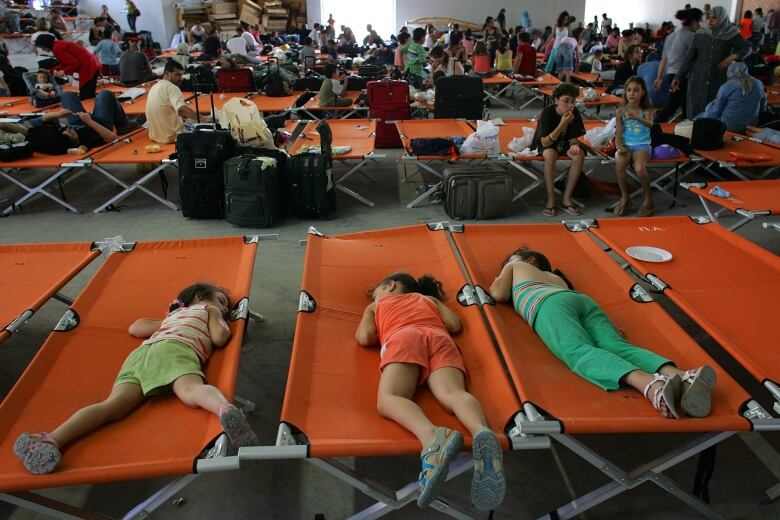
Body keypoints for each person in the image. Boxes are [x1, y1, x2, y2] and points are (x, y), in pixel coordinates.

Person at [12, 282, 258, 475]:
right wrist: (225, 320)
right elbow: (220, 338)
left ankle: (51, 439)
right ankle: (224, 409)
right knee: (192, 391)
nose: (225, 308)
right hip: (177, 351)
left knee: (110, 407)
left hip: (140, 355)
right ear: (198, 297)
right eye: (223, 301)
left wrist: (167, 318)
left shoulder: (171, 319)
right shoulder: (209, 310)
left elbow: (135, 329)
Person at [489, 247, 716, 420]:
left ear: (529, 260)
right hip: (582, 302)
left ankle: (650, 385)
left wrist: (500, 278)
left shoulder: (516, 267)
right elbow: (570, 304)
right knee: (617, 346)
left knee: (578, 351)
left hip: (546, 303)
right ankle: (682, 375)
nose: (504, 268)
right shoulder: (557, 279)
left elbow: (498, 294)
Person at [356, 272, 505, 512]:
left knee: (390, 398)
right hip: (440, 339)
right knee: (453, 394)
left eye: (376, 293)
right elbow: (455, 324)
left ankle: (432, 439)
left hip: (404, 337)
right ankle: (481, 431)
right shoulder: (429, 300)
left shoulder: (378, 305)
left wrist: (369, 312)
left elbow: (364, 338)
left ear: (390, 285)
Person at [672, 6, 749, 119]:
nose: (710, 20)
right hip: (697, 82)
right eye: (709, 17)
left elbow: (746, 48)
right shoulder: (701, 34)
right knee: (694, 116)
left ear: (722, 19)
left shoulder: (730, 34)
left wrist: (731, 57)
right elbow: (689, 57)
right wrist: (678, 77)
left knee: (713, 114)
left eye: (714, 18)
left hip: (717, 81)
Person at [530, 82, 585, 217]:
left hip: (564, 143)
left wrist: (574, 144)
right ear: (556, 101)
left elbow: (573, 137)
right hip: (546, 143)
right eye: (566, 101)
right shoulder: (547, 112)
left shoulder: (575, 112)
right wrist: (563, 123)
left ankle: (567, 198)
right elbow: (545, 141)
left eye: (573, 102)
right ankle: (551, 198)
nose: (570, 105)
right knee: (550, 154)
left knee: (579, 154)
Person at [614, 76, 655, 217]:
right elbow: (618, 132)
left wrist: (636, 116)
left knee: (639, 168)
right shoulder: (620, 111)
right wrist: (620, 146)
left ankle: (648, 198)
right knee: (619, 164)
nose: (632, 93)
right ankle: (625, 197)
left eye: (636, 90)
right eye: (629, 90)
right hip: (626, 144)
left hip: (642, 145)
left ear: (643, 92)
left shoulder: (647, 109)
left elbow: (650, 124)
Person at [654, 8, 701, 122]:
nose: (700, 25)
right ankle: (652, 129)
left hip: (671, 75)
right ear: (694, 22)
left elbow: (664, 59)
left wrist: (659, 78)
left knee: (684, 107)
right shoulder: (691, 37)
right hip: (682, 77)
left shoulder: (672, 35)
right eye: (700, 22)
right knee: (671, 108)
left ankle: (684, 132)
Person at [146, 60, 209, 144]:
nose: (180, 78)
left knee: (191, 118)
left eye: (181, 75)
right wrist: (203, 119)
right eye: (177, 75)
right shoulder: (172, 87)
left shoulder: (154, 87)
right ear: (167, 73)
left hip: (155, 137)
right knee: (207, 122)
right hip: (172, 137)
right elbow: (181, 110)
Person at [696, 62, 766, 134]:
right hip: (752, 126)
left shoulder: (726, 86)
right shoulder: (759, 83)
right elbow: (763, 109)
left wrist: (703, 115)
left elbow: (714, 113)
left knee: (705, 111)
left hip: (728, 127)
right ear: (746, 70)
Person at [34, 34, 100, 100]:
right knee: (89, 94)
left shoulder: (57, 48)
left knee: (86, 96)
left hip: (88, 67)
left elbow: (75, 63)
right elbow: (65, 63)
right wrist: (51, 71)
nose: (42, 49)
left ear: (46, 44)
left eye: (42, 47)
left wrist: (63, 72)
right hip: (92, 64)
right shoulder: (58, 45)